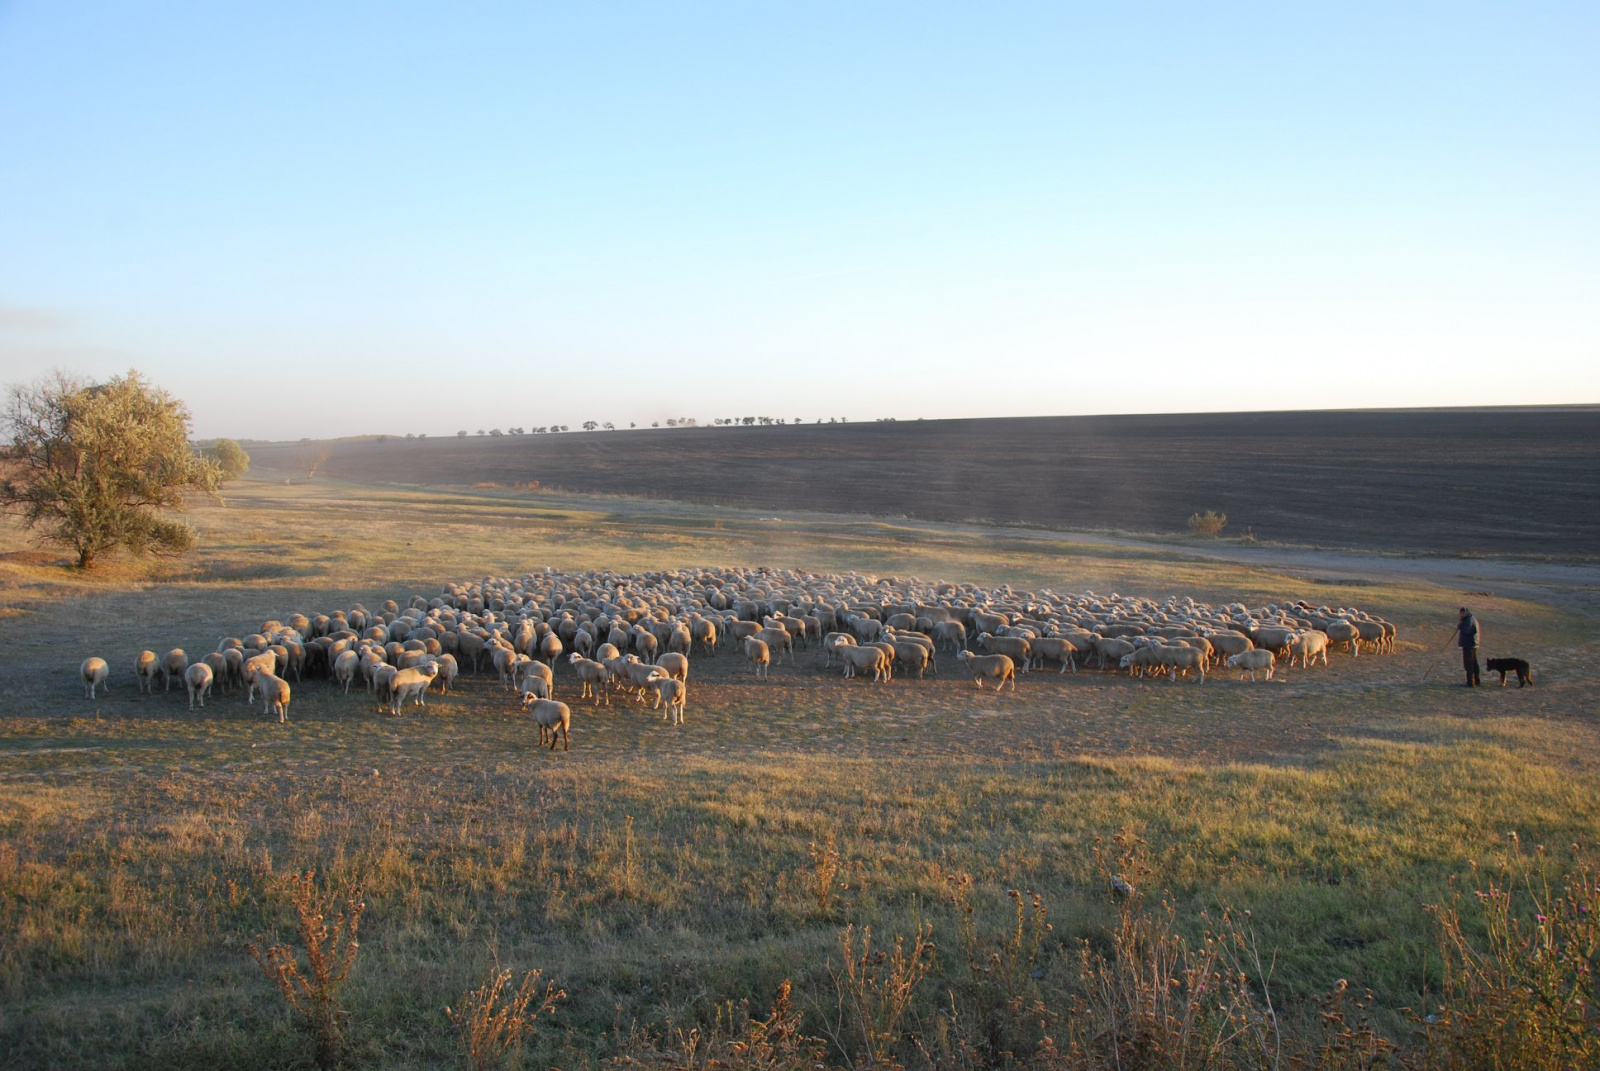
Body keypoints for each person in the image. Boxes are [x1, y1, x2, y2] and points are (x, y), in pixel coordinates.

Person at [1452, 607, 1481, 687]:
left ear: (1466, 613)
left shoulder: (1469, 620)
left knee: (1469, 663)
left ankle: (1470, 683)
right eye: (1460, 614)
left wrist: (1460, 625)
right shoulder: (1470, 618)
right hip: (1472, 643)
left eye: (1462, 613)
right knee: (1474, 662)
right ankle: (1476, 681)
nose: (1461, 615)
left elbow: (1466, 630)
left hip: (1469, 644)